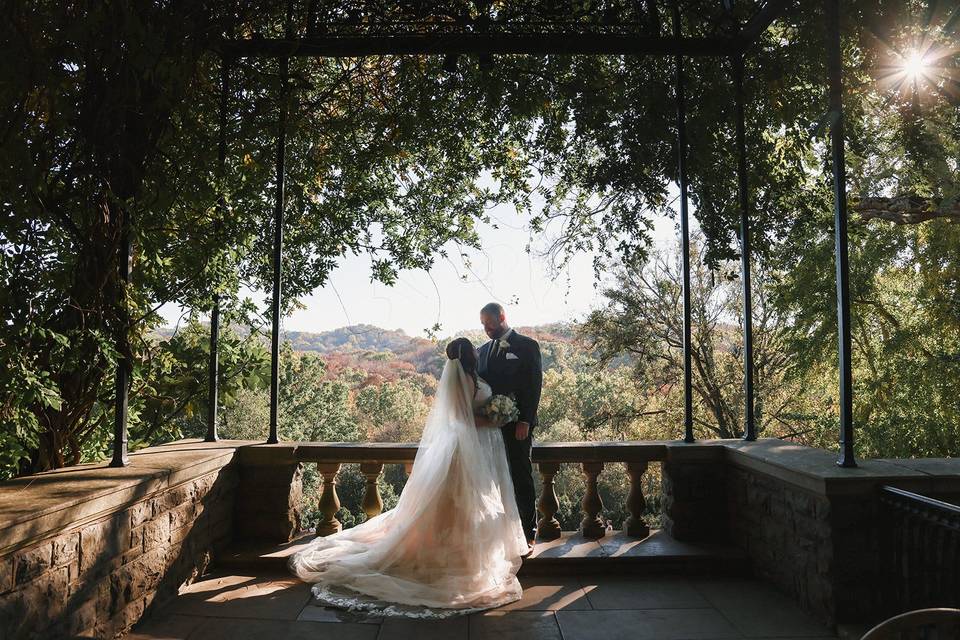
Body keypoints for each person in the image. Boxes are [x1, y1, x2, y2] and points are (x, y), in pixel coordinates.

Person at [288, 337, 527, 618]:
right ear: (466, 355)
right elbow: (461, 418)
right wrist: (495, 419)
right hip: (468, 448)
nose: (477, 350)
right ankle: (454, 559)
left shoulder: (473, 376)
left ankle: (465, 555)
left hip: (482, 447)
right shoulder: (463, 379)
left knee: (472, 502)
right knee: (462, 502)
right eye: (473, 348)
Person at [476, 302, 543, 554]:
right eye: (482, 324)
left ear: (502, 316)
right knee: (494, 480)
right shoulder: (482, 350)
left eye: (488, 323)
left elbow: (533, 385)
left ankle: (528, 532)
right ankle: (501, 534)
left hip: (517, 426)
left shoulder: (527, 346)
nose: (486, 328)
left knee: (520, 476)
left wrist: (525, 419)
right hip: (489, 429)